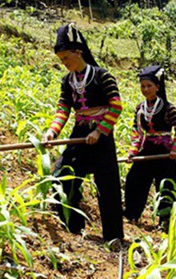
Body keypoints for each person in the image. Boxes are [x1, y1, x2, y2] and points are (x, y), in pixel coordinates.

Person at [42, 23, 124, 243]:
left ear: (78, 52)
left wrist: (99, 131)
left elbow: (116, 106)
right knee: (62, 175)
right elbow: (63, 110)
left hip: (102, 137)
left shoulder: (102, 76)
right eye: (61, 60)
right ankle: (73, 227)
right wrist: (52, 131)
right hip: (79, 133)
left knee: (107, 186)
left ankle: (113, 237)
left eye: (66, 58)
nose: (64, 64)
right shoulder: (67, 82)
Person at [123, 65, 176, 230]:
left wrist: (175, 150)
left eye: (149, 86)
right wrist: (132, 152)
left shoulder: (167, 108)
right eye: (143, 86)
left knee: (166, 186)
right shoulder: (140, 109)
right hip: (148, 150)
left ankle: (165, 223)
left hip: (165, 153)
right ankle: (132, 214)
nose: (145, 89)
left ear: (158, 87)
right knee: (134, 179)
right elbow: (137, 131)